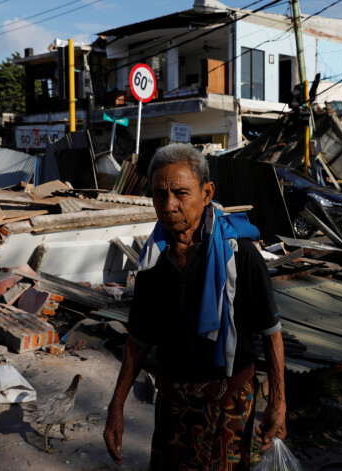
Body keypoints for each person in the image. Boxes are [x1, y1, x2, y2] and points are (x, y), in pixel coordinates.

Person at [103, 143, 286, 470]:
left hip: (227, 402)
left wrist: (278, 403)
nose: (170, 205)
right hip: (172, 405)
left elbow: (271, 333)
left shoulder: (240, 255)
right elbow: (139, 340)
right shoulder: (153, 261)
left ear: (206, 192)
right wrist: (116, 407)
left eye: (181, 193)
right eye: (160, 195)